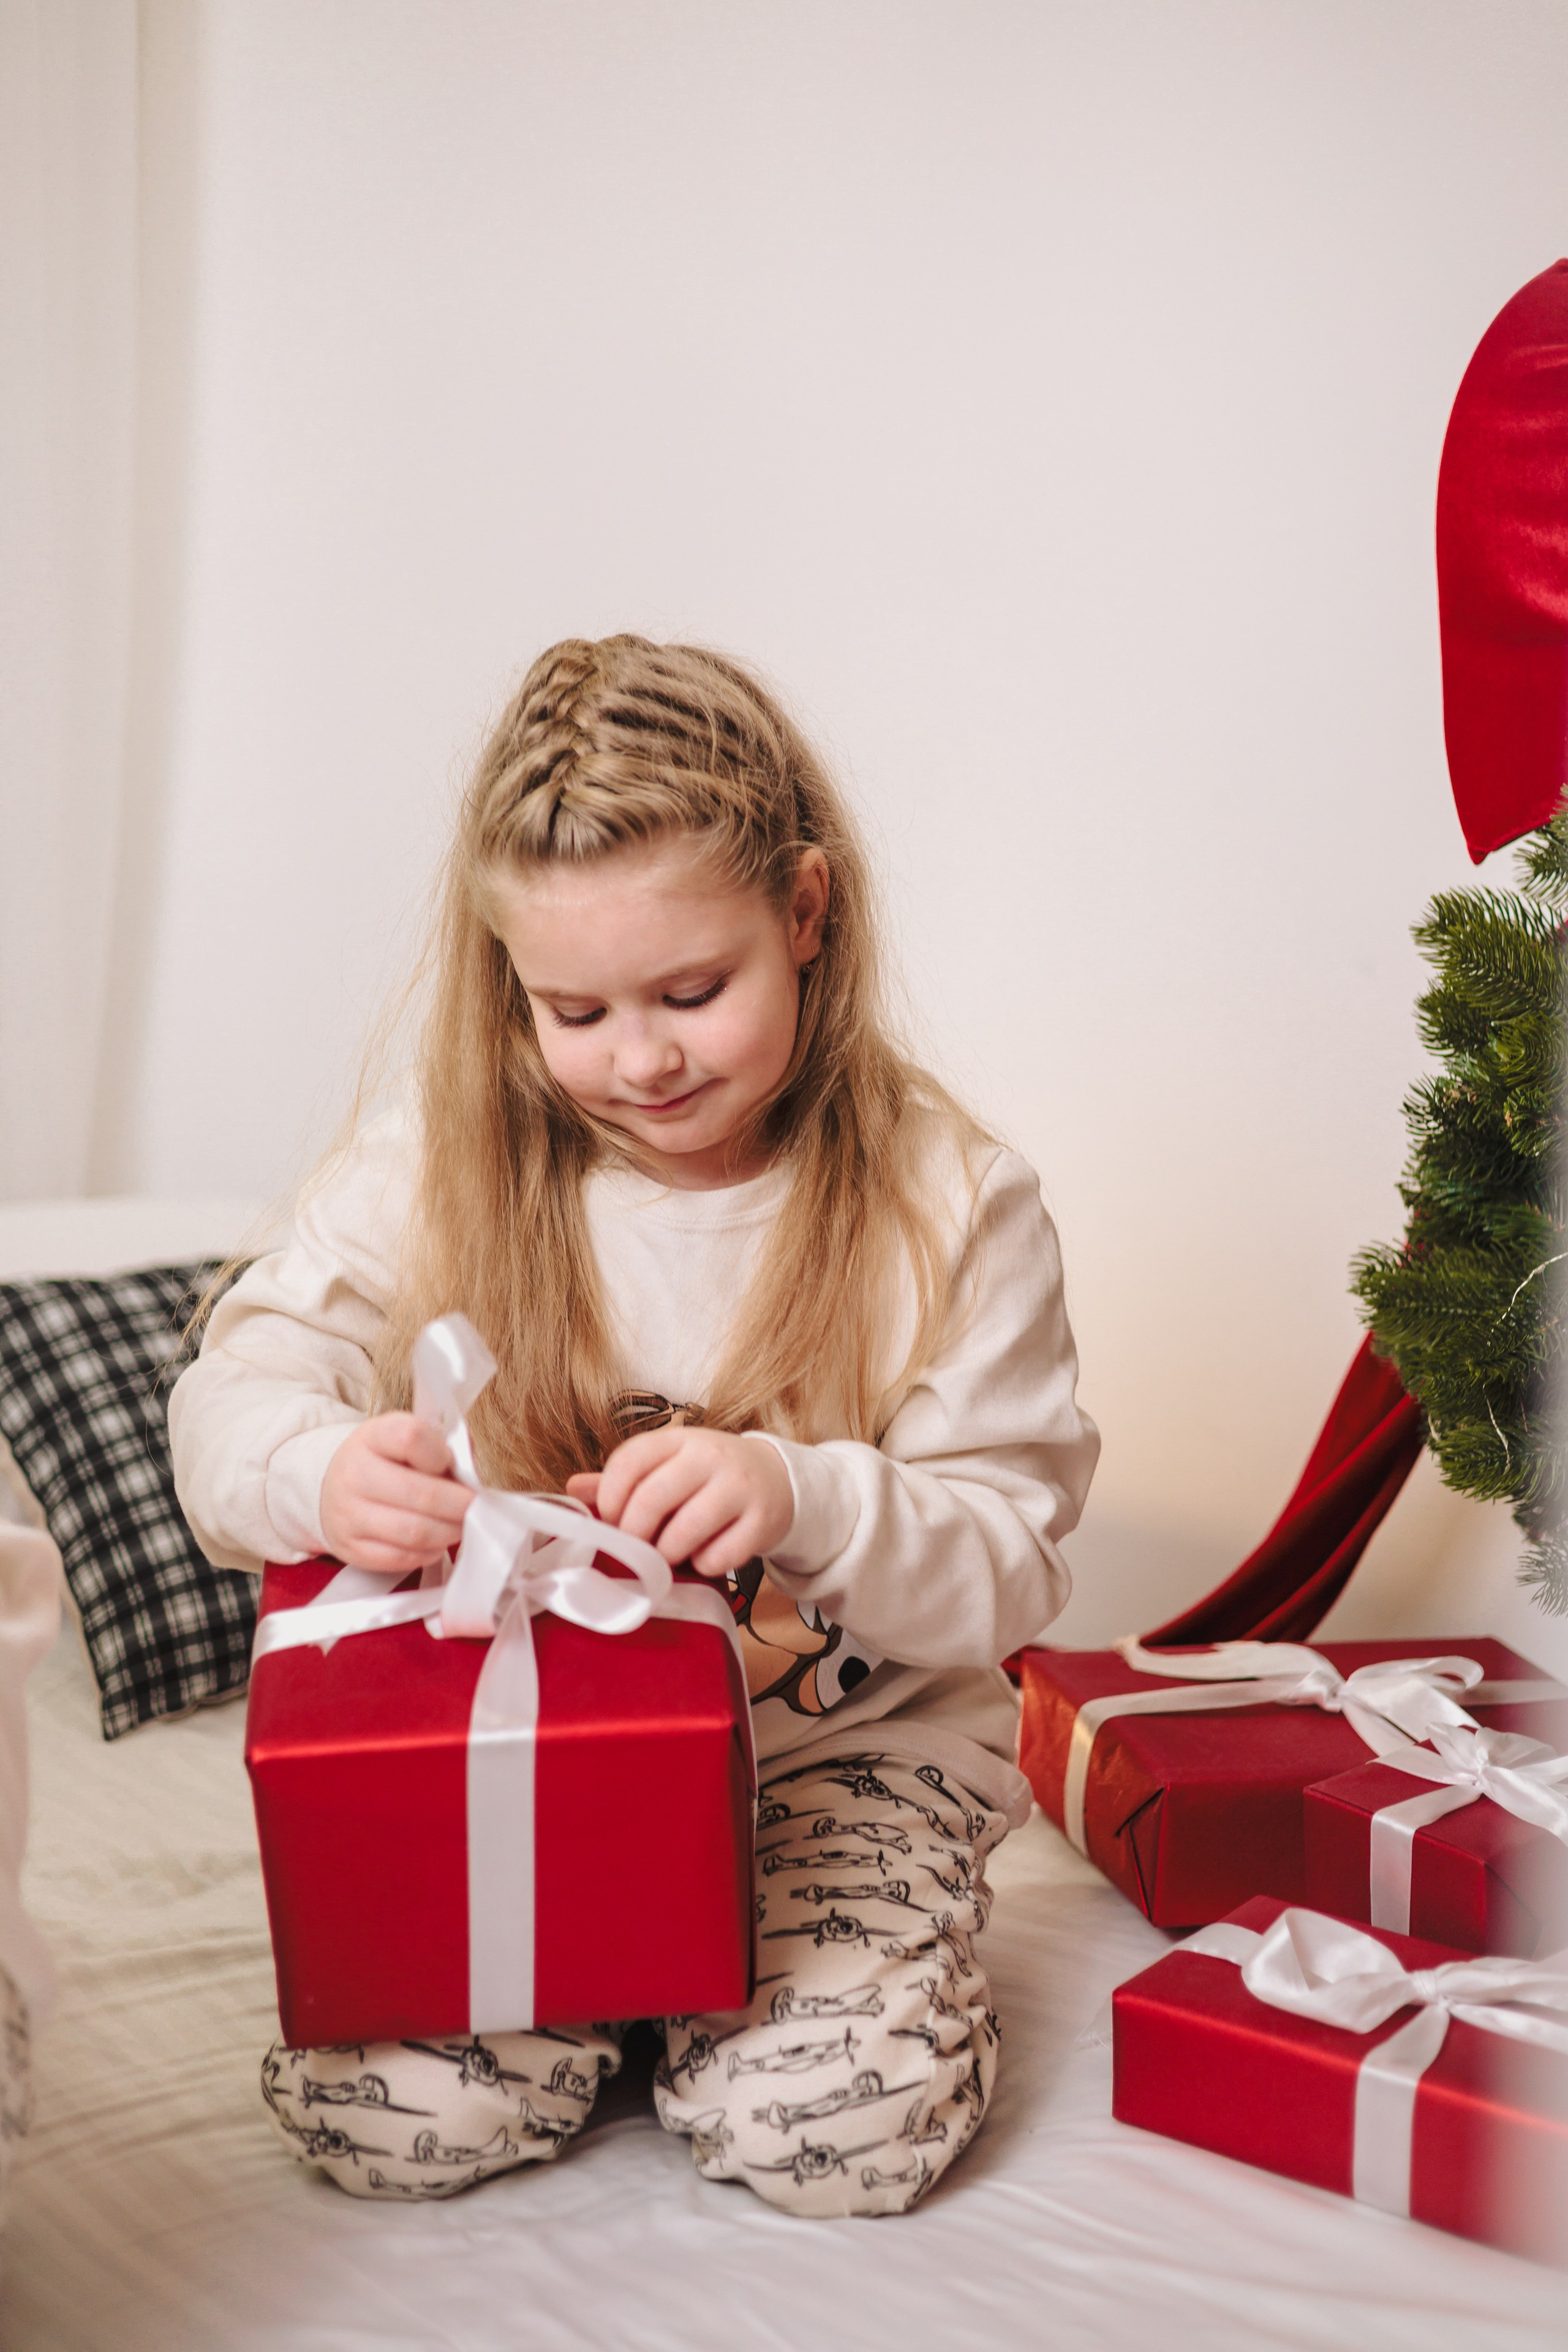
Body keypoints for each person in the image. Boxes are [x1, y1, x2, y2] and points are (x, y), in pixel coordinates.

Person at [170, 634, 1099, 2218]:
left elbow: (1011, 1568)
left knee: (831, 2139)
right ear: (509, 984)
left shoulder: (953, 1200)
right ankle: (640, 1991)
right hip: (528, 1756)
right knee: (392, 2124)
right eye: (576, 1010)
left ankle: (726, 1993)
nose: (644, 1059)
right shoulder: (434, 1162)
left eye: (693, 993)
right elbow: (226, 1402)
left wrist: (806, 1498)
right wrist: (316, 1471)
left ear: (805, 913)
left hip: (836, 1757)